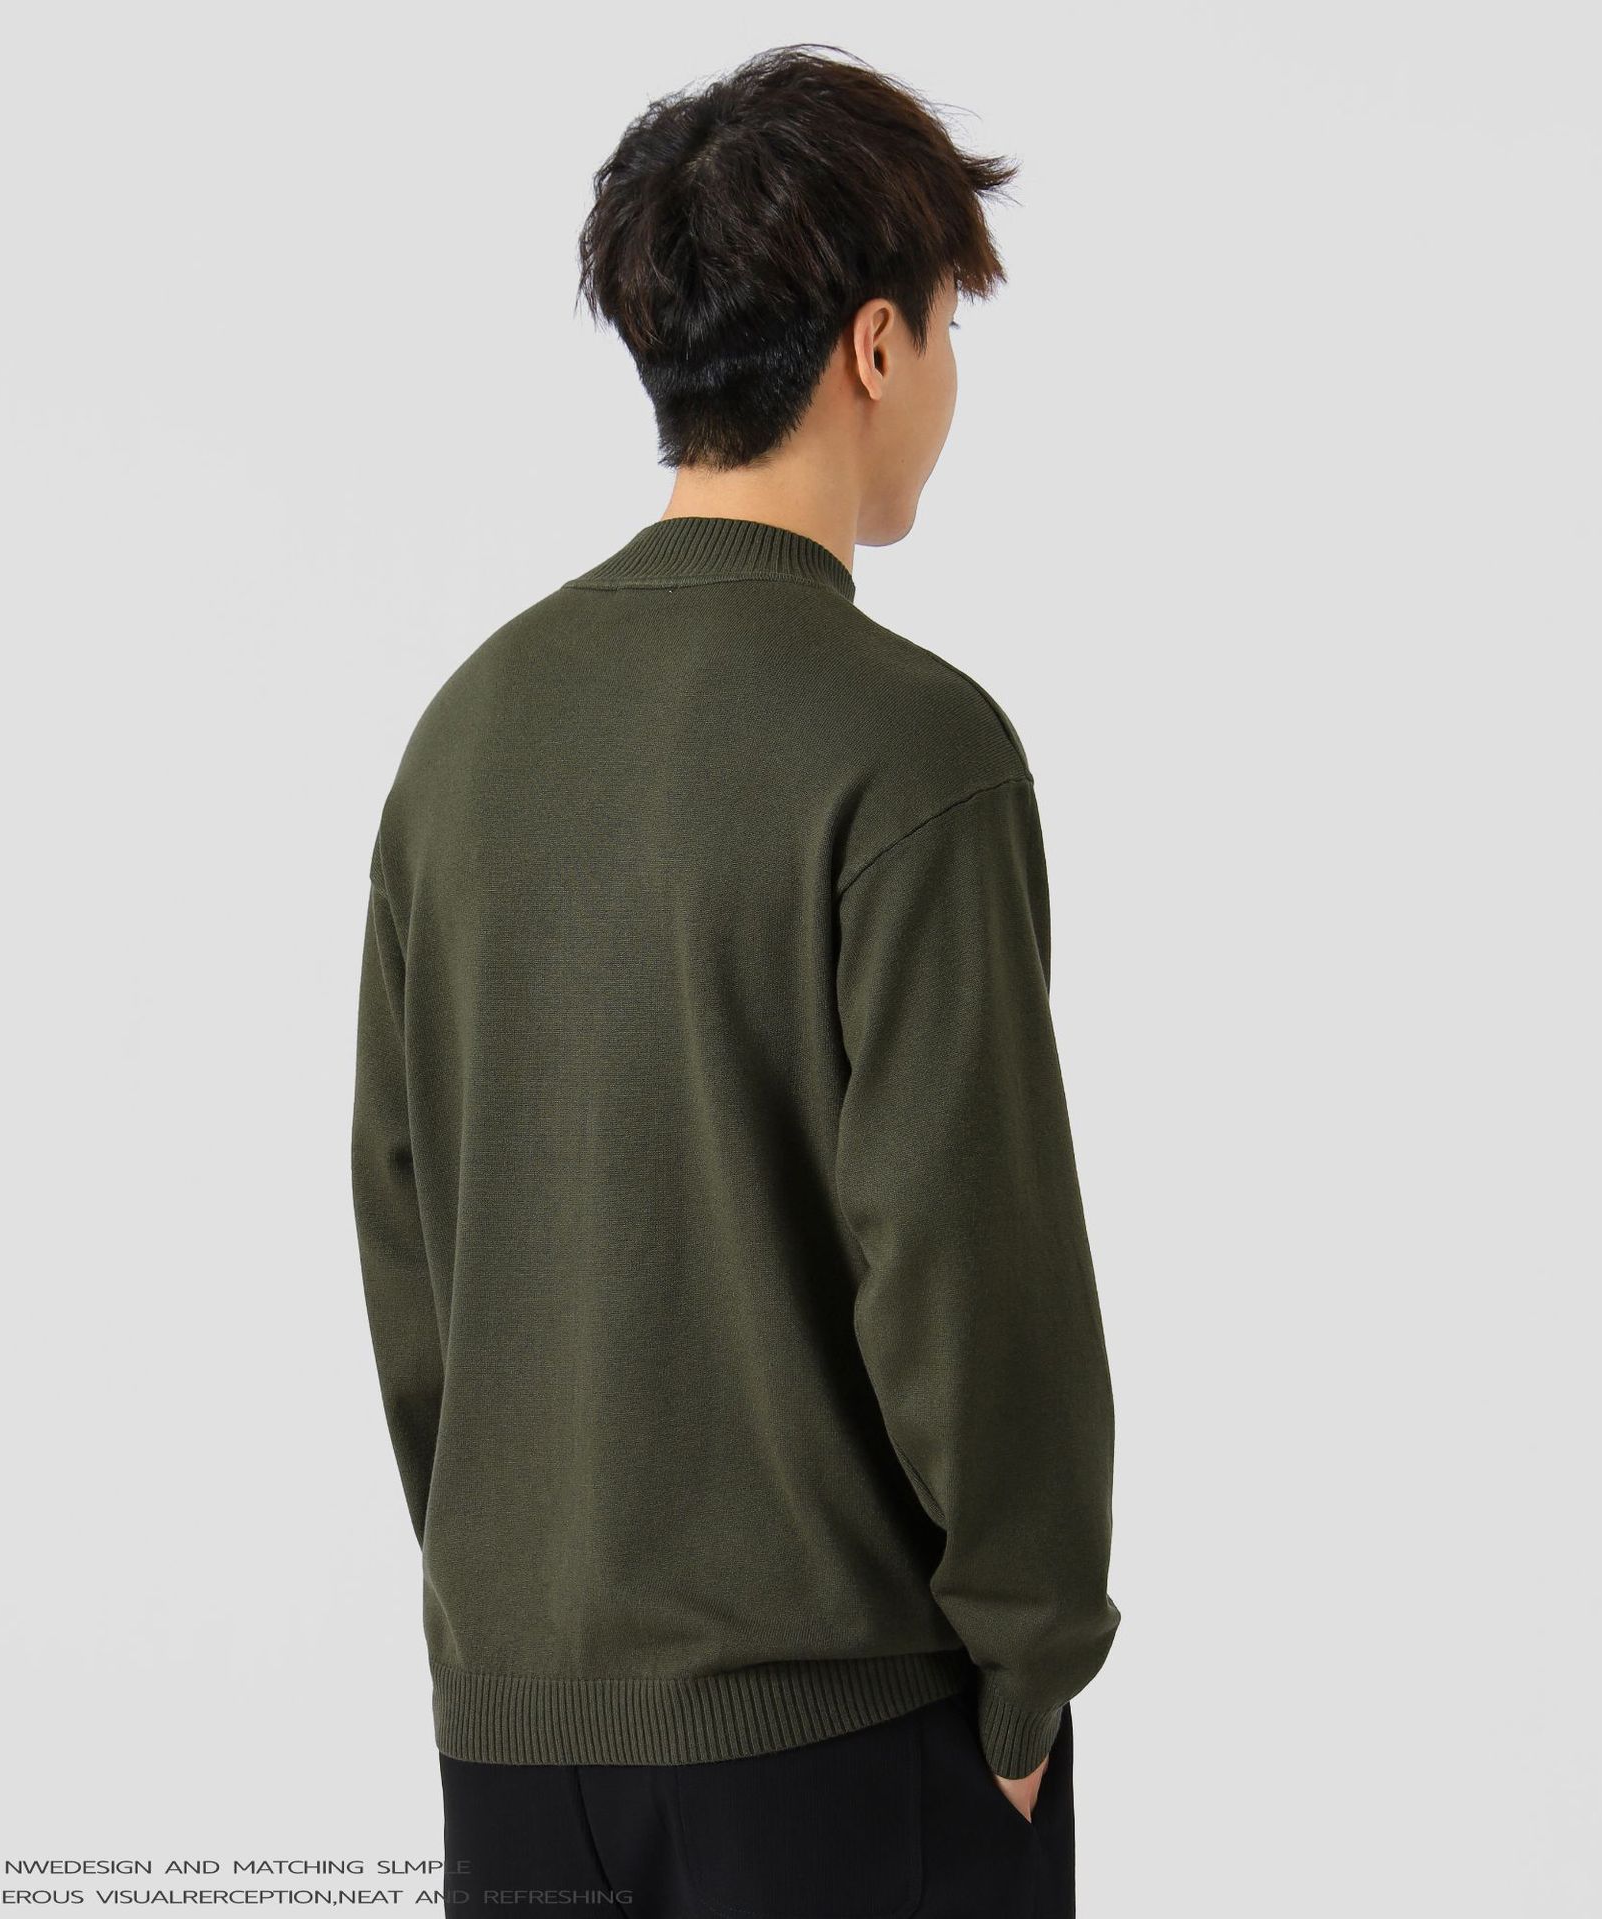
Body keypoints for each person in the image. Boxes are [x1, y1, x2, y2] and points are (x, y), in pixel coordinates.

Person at [350, 42, 1119, 1917]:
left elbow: (409, 1236)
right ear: (878, 346)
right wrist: (1028, 1663)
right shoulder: (910, 751)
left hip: (517, 1744)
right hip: (845, 1740)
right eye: (949, 326)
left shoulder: (467, 738)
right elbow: (971, 1265)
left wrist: (521, 1617)